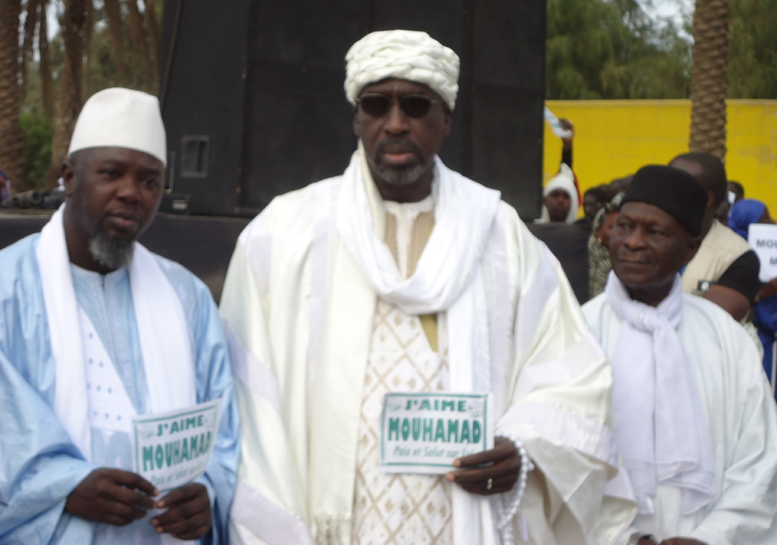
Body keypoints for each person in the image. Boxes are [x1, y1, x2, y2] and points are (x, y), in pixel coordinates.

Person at [220, 30, 633, 545]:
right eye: (376, 105)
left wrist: (524, 449)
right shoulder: (284, 233)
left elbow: (573, 374)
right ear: (356, 118)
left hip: (463, 522)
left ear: (446, 120)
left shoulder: (499, 234)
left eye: (417, 106)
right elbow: (245, 400)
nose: (396, 123)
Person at [0, 88, 239, 543]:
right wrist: (65, 486)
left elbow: (225, 424)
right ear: (70, 178)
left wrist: (209, 492)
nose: (131, 192)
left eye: (150, 181)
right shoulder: (8, 288)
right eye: (111, 173)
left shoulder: (186, 296)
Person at [583, 165, 777, 545]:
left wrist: (712, 538)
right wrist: (621, 538)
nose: (633, 242)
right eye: (625, 226)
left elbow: (759, 460)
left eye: (654, 231)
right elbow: (559, 458)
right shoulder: (577, 331)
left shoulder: (725, 339)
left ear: (690, 248)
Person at [669, 152, 761, 322]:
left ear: (707, 199)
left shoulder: (738, 256)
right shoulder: (643, 239)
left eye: (676, 185)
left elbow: (708, 324)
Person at [729, 198, 777, 397]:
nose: (772, 222)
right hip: (745, 334)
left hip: (768, 335)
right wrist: (760, 292)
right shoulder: (735, 254)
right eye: (764, 218)